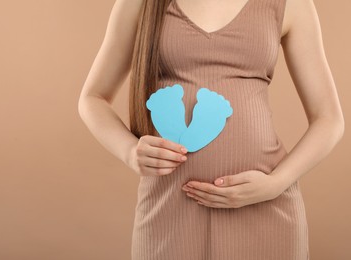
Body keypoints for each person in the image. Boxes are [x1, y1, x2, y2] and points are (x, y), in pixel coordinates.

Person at [78, 0, 345, 259]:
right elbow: (92, 98)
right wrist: (129, 151)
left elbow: (329, 118)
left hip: (263, 205)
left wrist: (275, 184)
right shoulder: (140, 3)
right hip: (169, 208)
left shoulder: (291, 4)